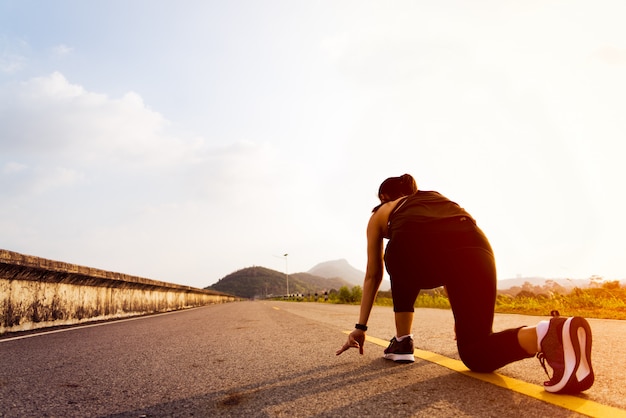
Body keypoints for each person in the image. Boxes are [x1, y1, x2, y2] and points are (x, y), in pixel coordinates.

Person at [336, 174, 594, 394]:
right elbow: (448, 253)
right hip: (476, 244)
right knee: (476, 349)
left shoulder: (383, 211)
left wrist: (360, 327)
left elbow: (373, 274)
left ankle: (403, 340)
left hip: (417, 249)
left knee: (397, 252)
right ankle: (551, 333)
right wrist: (462, 320)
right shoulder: (436, 198)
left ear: (384, 196)